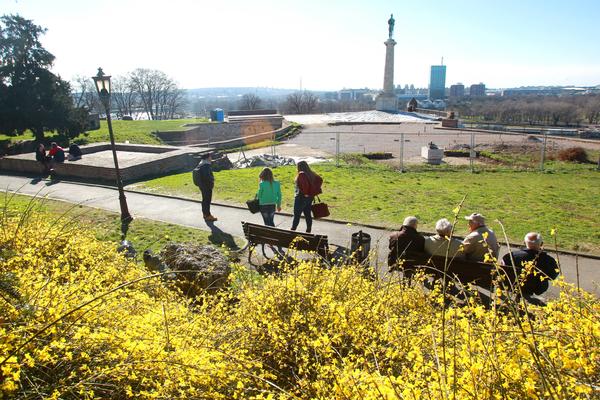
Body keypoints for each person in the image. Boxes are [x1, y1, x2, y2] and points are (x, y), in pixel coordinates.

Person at [291, 161, 322, 233]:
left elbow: (305, 185)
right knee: (307, 214)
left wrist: (306, 193)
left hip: (301, 198)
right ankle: (308, 231)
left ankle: (292, 230)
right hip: (309, 198)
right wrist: (313, 191)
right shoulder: (311, 173)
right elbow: (320, 179)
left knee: (297, 215)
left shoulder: (301, 174)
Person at [195, 153, 217, 222]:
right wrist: (212, 181)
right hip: (207, 186)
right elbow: (207, 176)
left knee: (204, 200)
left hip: (202, 185)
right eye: (210, 156)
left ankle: (205, 214)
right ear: (207, 157)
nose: (211, 158)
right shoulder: (206, 165)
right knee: (207, 200)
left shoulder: (201, 164)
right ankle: (208, 216)